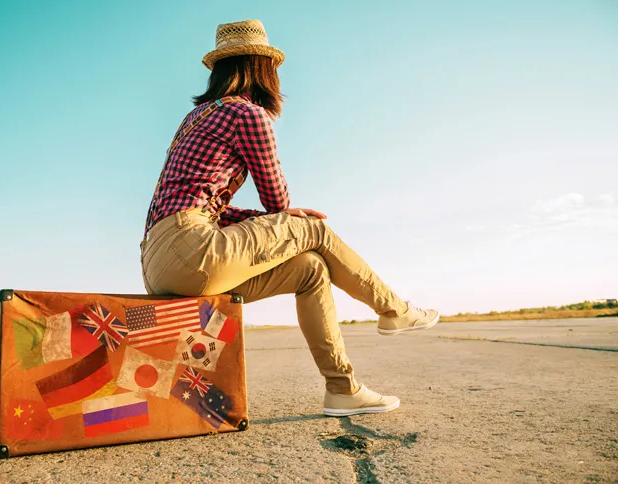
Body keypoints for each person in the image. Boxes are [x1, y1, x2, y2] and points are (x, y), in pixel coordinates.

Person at [140, 20, 440, 417]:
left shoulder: (194, 119)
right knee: (313, 229)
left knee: (310, 269)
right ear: (262, 68)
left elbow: (210, 208)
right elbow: (276, 197)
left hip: (163, 261)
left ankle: (342, 388)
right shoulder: (246, 114)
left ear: (221, 70)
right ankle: (393, 310)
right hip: (191, 248)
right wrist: (285, 217)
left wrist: (274, 219)